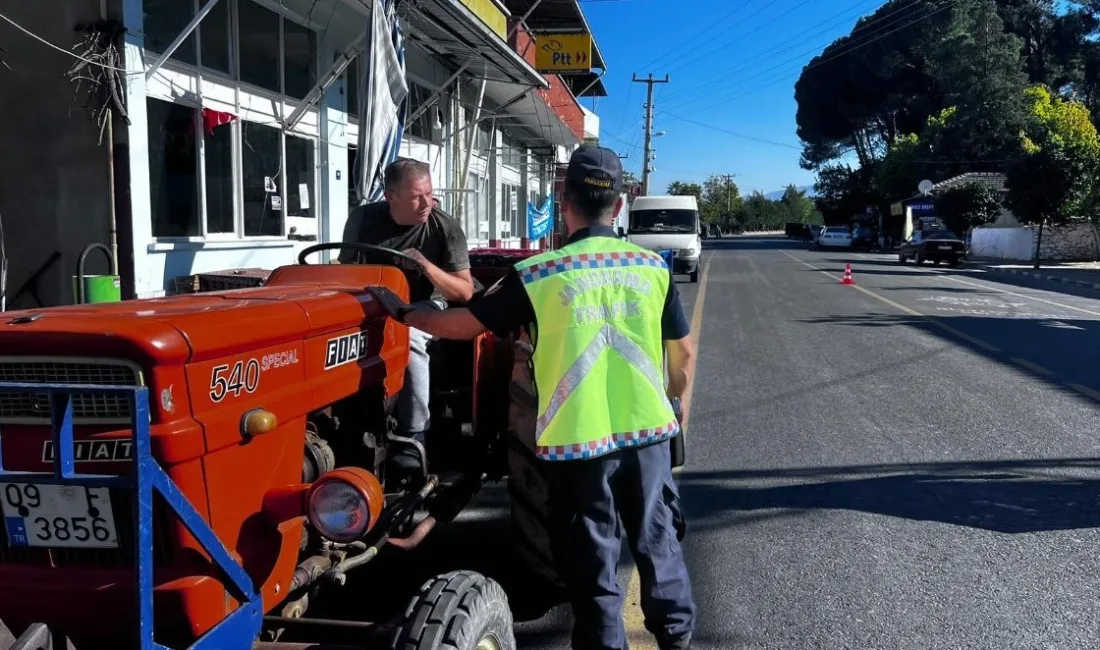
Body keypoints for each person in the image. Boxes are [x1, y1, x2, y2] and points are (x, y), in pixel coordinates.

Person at [367, 145, 697, 650]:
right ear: (620, 205)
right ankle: (677, 640)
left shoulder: (542, 274)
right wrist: (669, 408)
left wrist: (404, 314)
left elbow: (462, 324)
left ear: (564, 204)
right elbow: (684, 358)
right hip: (649, 436)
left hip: (578, 446)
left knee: (595, 568)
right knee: (659, 546)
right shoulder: (652, 267)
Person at [340, 158, 475, 482]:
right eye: (417, 196)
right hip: (378, 304)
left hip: (427, 304)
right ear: (391, 196)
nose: (427, 203)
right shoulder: (362, 219)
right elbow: (346, 272)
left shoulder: (444, 227)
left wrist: (428, 268)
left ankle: (414, 438)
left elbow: (465, 292)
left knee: (410, 335)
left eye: (429, 193)